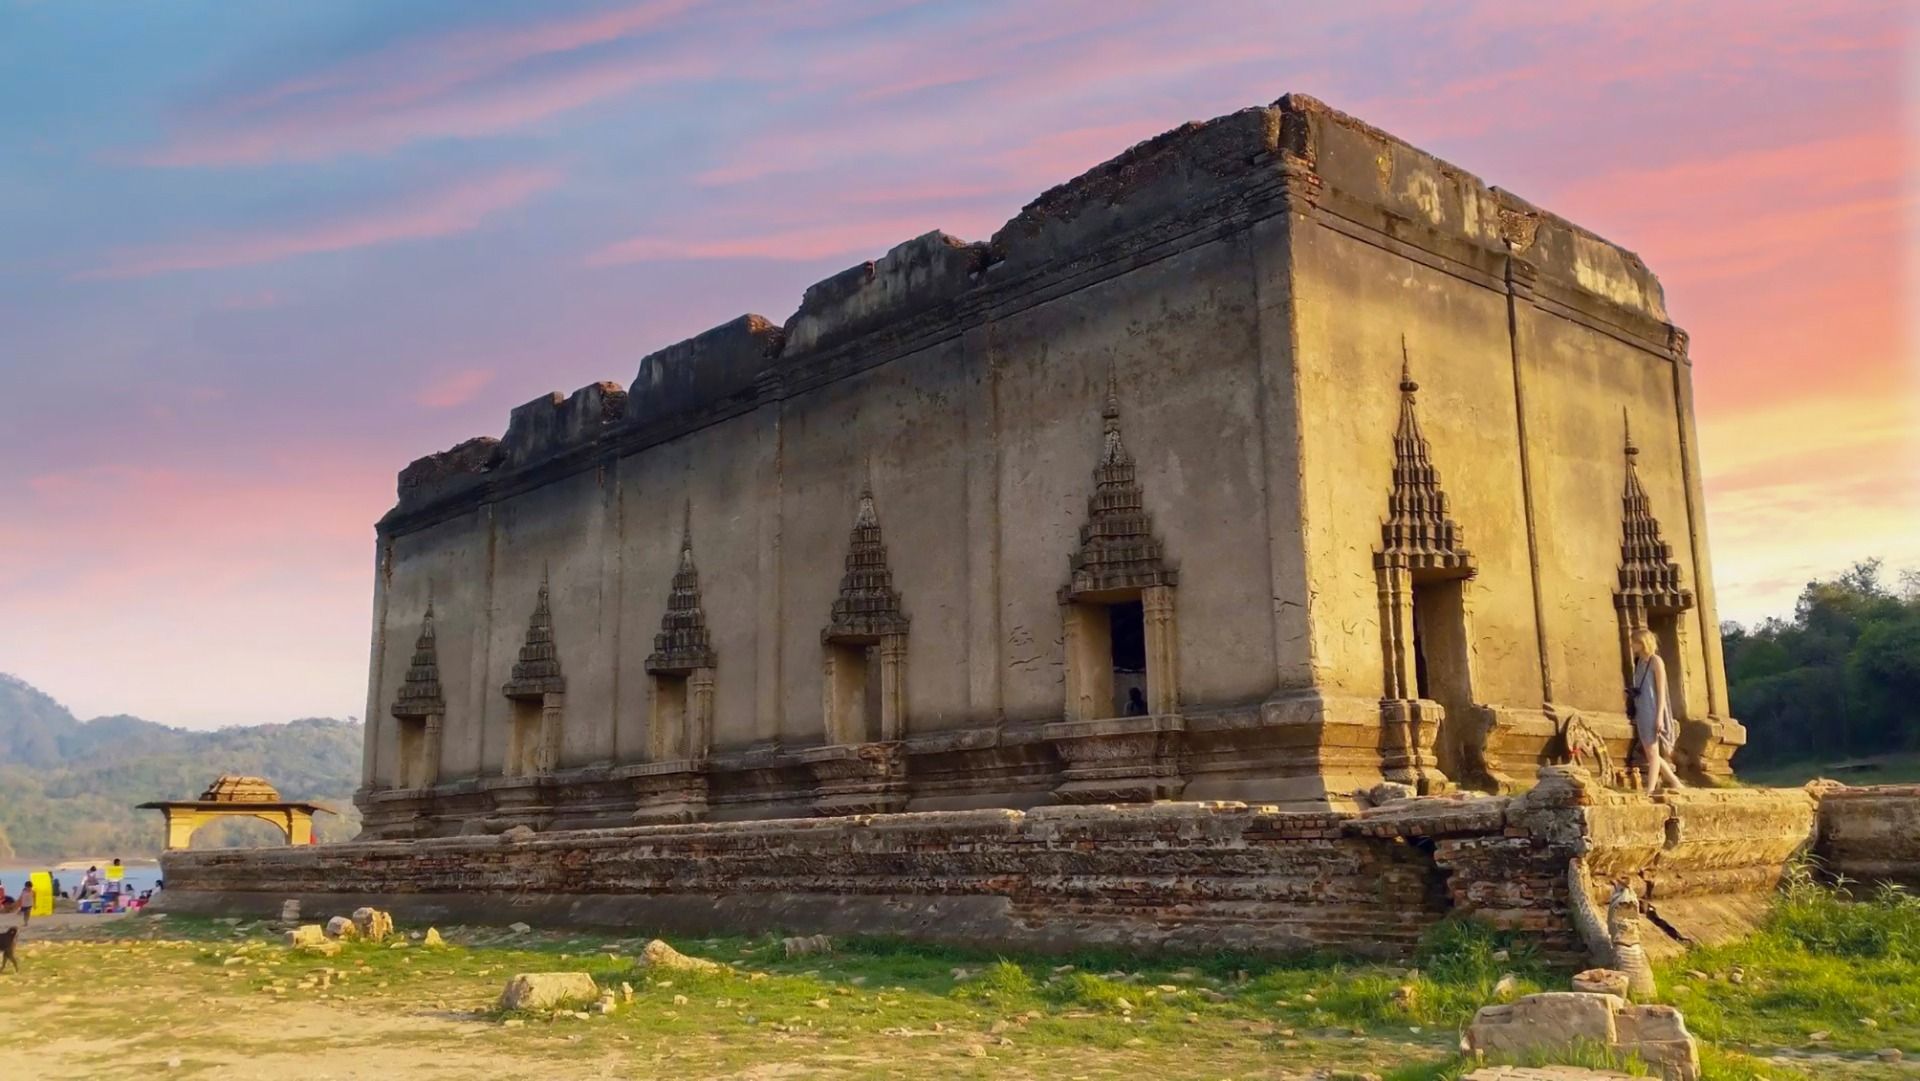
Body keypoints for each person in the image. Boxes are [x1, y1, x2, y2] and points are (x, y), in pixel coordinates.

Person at [1628, 628, 1684, 797]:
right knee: (1651, 752)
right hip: (1642, 710)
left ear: (1642, 643)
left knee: (1652, 754)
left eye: (1634, 642)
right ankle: (1675, 782)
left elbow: (1661, 692)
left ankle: (1651, 790)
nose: (1632, 645)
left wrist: (1659, 716)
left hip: (1653, 710)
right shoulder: (1640, 663)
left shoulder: (1656, 661)